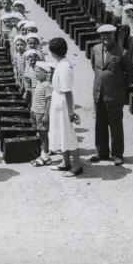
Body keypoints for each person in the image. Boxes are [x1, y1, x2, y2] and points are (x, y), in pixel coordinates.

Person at [90, 24, 133, 166]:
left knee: (115, 125)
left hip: (114, 94)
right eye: (103, 35)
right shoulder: (95, 49)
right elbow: (95, 68)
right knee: (100, 124)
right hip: (98, 93)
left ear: (114, 35)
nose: (105, 37)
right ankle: (102, 152)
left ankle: (117, 154)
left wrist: (119, 87)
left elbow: (130, 74)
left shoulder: (122, 52)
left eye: (108, 34)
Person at [47, 37, 83, 176]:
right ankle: (65, 162)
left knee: (68, 134)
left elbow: (67, 91)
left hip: (62, 101)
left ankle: (77, 166)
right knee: (60, 132)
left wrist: (70, 111)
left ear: (52, 52)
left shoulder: (64, 66)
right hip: (58, 99)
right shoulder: (61, 64)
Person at [29, 61, 54, 167]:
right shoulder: (38, 83)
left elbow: (49, 100)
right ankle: (42, 154)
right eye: (35, 72)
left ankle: (46, 156)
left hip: (41, 113)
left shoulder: (47, 85)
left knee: (44, 135)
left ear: (45, 73)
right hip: (35, 111)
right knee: (39, 134)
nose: (36, 74)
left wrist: (46, 115)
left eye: (38, 72)